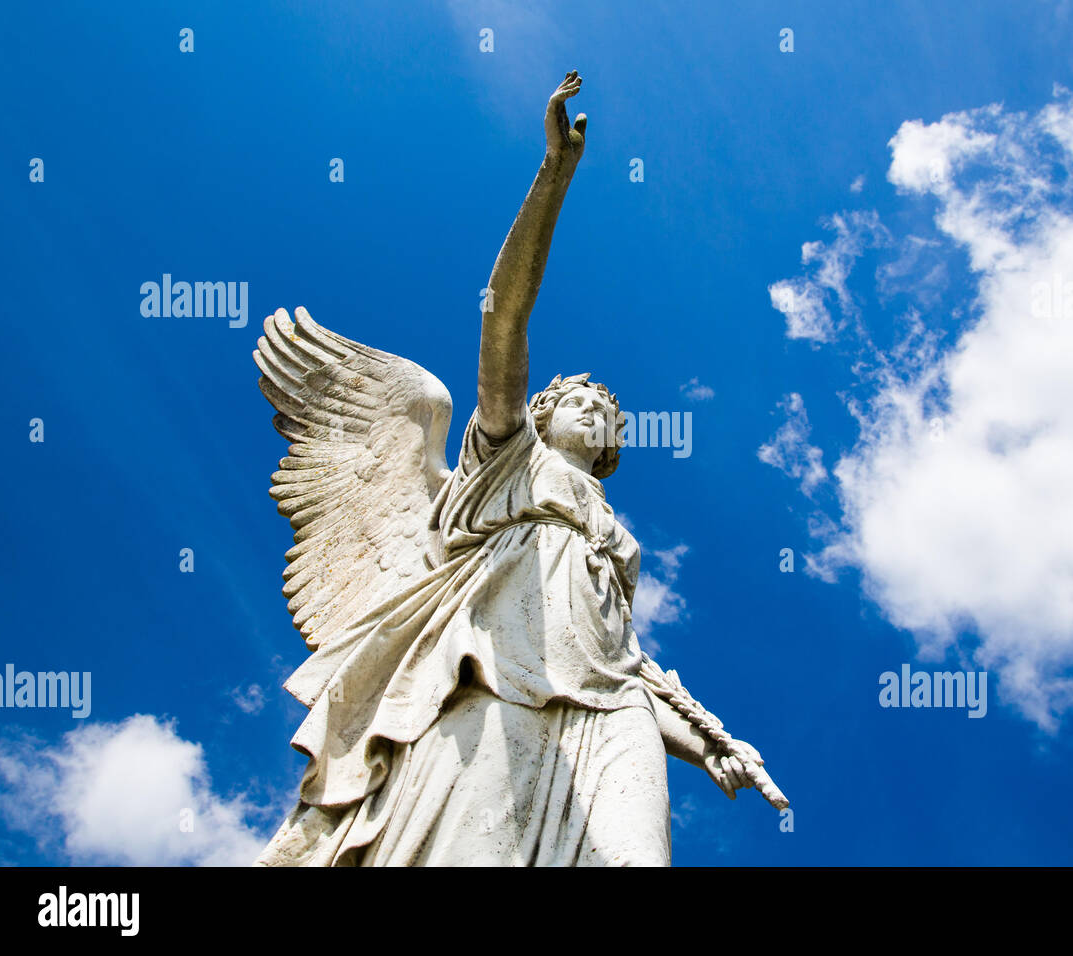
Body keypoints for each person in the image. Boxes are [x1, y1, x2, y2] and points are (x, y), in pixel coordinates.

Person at [254, 72, 763, 867]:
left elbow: (624, 661)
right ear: (538, 414)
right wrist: (555, 173)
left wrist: (705, 746)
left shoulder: (616, 543)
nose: (596, 410)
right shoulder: (506, 460)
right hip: (497, 676)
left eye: (609, 414)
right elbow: (504, 314)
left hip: (616, 710)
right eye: (578, 399)